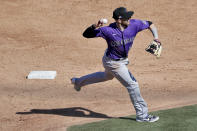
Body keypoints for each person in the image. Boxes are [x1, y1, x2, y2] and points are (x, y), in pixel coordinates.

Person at [71, 7, 160, 122]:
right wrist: (94, 26)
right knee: (132, 85)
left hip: (118, 61)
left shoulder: (134, 24)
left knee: (106, 76)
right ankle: (142, 115)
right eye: (126, 17)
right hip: (113, 62)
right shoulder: (108, 30)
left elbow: (150, 24)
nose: (129, 18)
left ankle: (78, 82)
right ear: (119, 20)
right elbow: (86, 34)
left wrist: (156, 38)